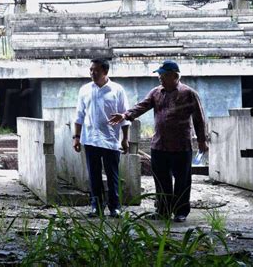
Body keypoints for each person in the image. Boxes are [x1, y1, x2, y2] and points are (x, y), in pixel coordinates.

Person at [109, 60, 208, 222]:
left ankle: (181, 212)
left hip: (181, 146)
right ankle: (163, 210)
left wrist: (202, 141)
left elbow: (199, 119)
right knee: (161, 181)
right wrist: (125, 115)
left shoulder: (189, 93)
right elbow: (141, 106)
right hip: (159, 146)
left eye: (163, 75)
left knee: (182, 181)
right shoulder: (156, 92)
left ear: (175, 76)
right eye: (159, 75)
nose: (159, 78)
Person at [73, 58, 130, 218]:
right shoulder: (84, 90)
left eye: (96, 70)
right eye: (91, 70)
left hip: (111, 140)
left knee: (113, 175)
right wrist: (76, 137)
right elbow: (79, 116)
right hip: (90, 139)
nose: (92, 73)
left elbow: (125, 116)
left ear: (105, 71)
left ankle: (115, 207)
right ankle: (96, 207)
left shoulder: (117, 90)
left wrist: (125, 139)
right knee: (94, 175)